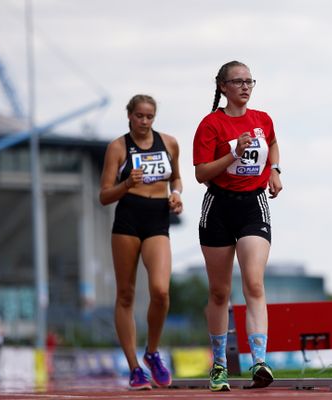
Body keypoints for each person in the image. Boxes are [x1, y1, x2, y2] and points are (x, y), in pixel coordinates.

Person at [193, 60, 283, 392]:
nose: (245, 86)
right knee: (219, 292)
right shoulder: (211, 125)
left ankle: (259, 362)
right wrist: (234, 153)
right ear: (223, 87)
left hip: (252, 206)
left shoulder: (262, 120)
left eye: (250, 81)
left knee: (254, 283)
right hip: (218, 206)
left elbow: (271, 142)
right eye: (238, 81)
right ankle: (218, 366)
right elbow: (201, 173)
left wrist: (275, 169)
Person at [99, 94, 183, 390]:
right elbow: (104, 195)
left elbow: (178, 179)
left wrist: (177, 196)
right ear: (130, 116)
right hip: (128, 219)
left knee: (160, 291)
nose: (144, 122)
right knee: (126, 294)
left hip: (158, 218)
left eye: (149, 117)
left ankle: (152, 352)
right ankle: (135, 368)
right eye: (139, 116)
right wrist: (126, 184)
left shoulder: (169, 143)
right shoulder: (118, 147)